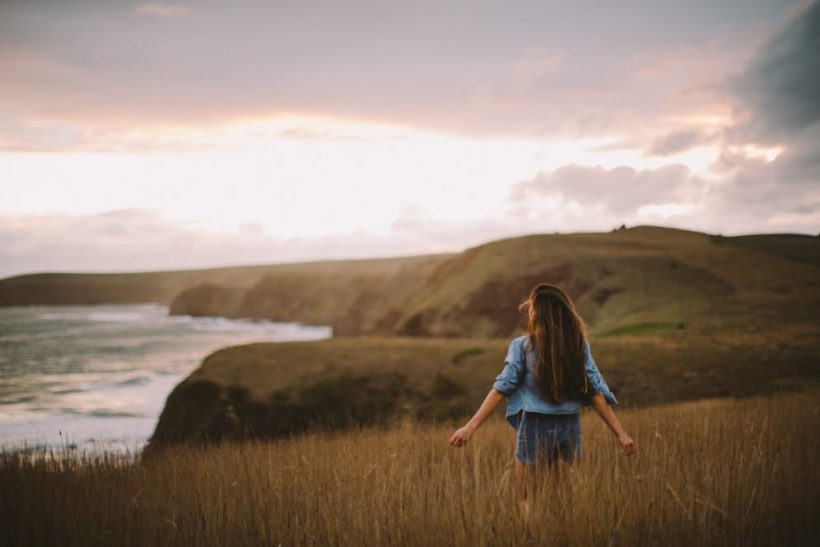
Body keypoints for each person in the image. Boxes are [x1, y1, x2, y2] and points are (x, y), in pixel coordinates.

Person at [448, 283, 636, 506]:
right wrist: (621, 434)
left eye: (532, 305)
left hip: (535, 425)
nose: (528, 308)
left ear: (538, 313)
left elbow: (501, 388)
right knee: (562, 500)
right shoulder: (578, 345)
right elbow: (594, 391)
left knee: (527, 499)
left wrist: (470, 427)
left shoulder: (522, 346)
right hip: (569, 425)